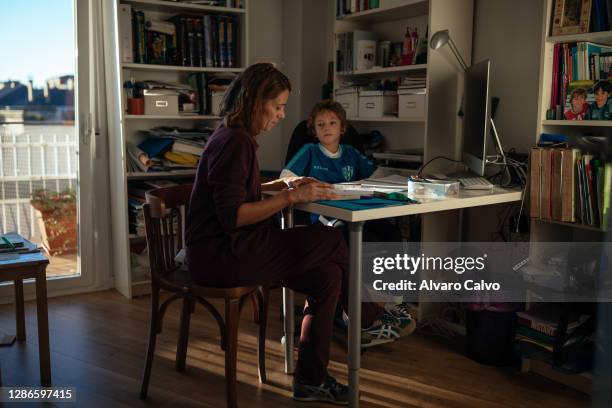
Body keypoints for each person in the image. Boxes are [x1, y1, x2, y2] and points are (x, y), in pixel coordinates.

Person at [185, 63, 398, 405]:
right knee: (331, 240)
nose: (283, 115)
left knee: (327, 275)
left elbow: (239, 192)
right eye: (278, 106)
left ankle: (311, 380)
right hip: (222, 256)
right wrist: (292, 196)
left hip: (226, 250)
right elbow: (235, 215)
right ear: (256, 102)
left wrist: (280, 183)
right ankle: (370, 318)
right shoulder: (236, 142)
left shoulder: (231, 136)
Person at [280, 99, 416, 334]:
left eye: (332, 122)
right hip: (325, 216)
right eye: (320, 124)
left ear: (343, 127)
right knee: (344, 238)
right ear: (314, 130)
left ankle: (395, 302)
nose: (327, 128)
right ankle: (351, 309)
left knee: (391, 231)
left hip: (356, 211)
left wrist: (364, 183)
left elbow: (379, 175)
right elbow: (285, 177)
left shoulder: (351, 153)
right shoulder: (309, 151)